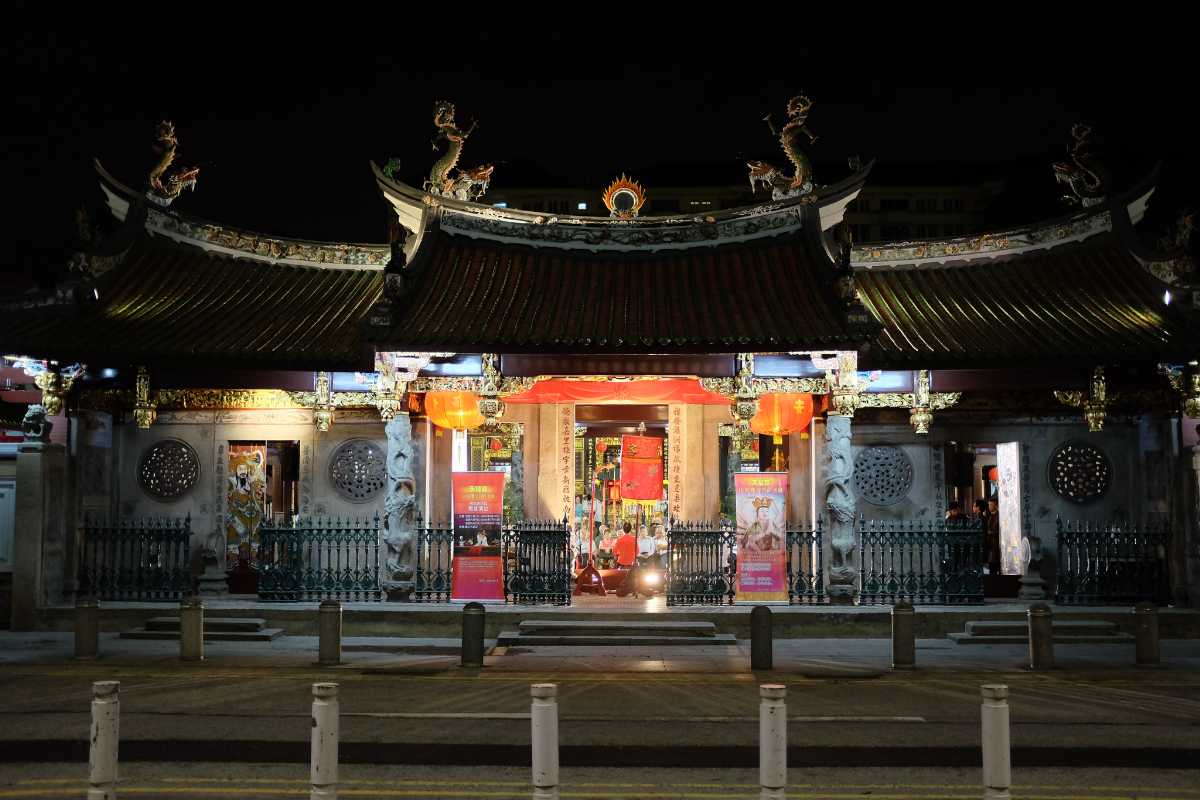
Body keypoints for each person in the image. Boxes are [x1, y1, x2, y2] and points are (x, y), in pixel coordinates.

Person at [985, 497, 1001, 575]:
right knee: (992, 567)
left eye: (991, 505)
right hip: (990, 545)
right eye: (989, 505)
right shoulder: (990, 515)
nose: (989, 506)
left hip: (996, 544)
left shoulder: (999, 516)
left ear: (996, 505)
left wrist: (990, 532)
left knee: (995, 566)